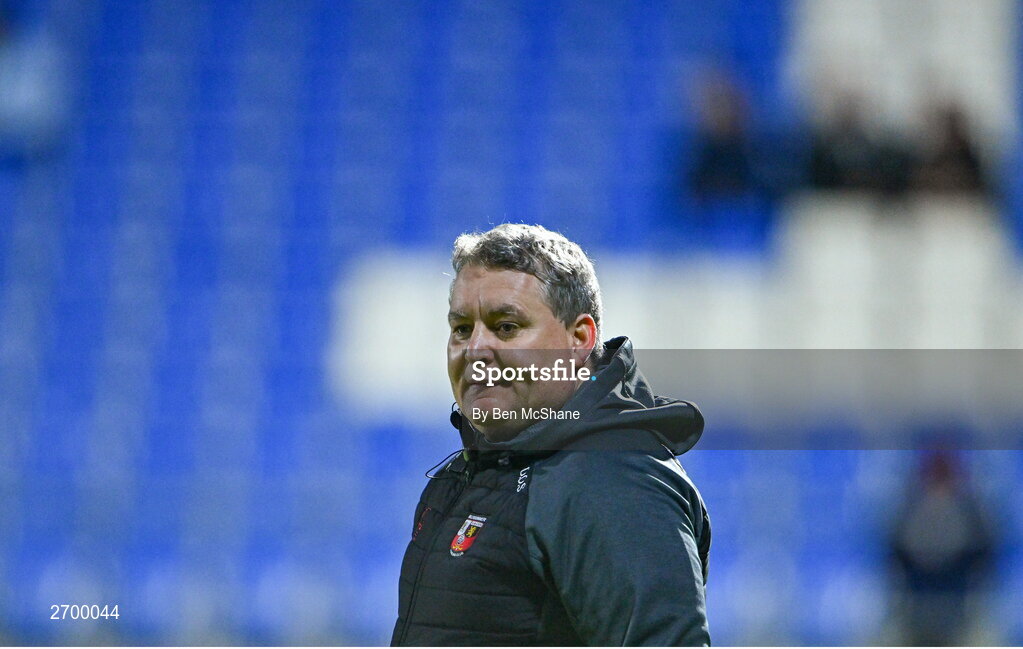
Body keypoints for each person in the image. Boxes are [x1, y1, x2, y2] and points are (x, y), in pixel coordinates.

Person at [390, 224, 711, 646]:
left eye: (506, 327)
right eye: (462, 328)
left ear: (579, 339)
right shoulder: (471, 471)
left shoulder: (611, 478)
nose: (475, 350)